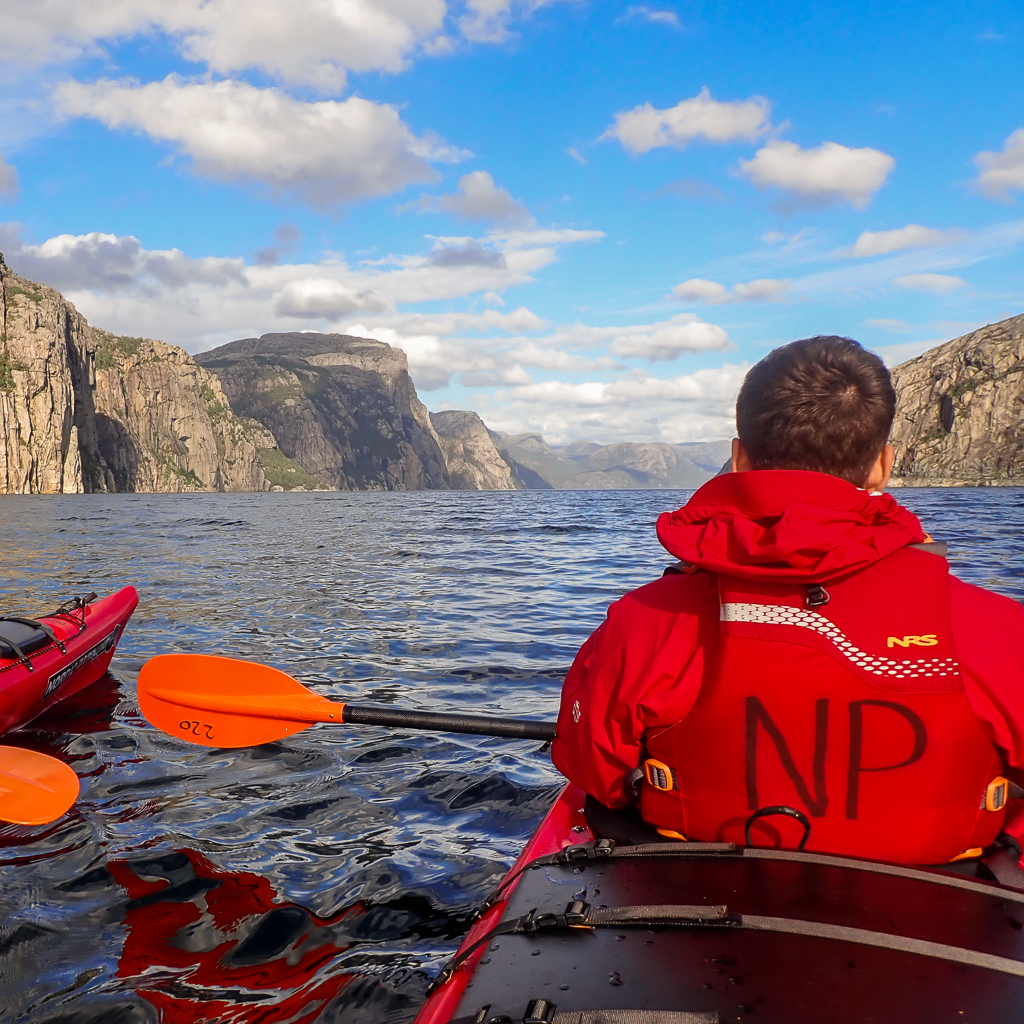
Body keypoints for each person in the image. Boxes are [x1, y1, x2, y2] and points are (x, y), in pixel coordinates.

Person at [550, 335, 1024, 865]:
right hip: (946, 916)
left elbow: (593, 772)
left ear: (738, 458)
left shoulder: (647, 620)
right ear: (882, 466)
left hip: (691, 903)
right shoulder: (1003, 632)